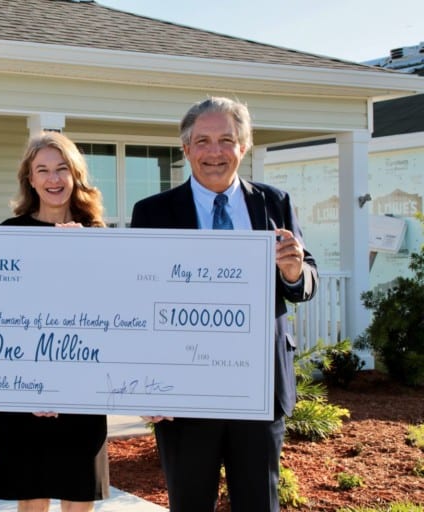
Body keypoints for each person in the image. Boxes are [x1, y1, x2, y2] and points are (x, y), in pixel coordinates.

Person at [130, 96, 318, 512]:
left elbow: (306, 280)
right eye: (203, 141)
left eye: (226, 140)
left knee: (257, 503)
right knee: (190, 502)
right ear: (186, 149)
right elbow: (138, 301)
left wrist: (292, 272)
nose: (214, 152)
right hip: (183, 392)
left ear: (244, 147)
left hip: (259, 388)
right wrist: (144, 379)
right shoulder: (153, 213)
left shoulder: (275, 204)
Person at [0, 131, 109, 512]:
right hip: (25, 386)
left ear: (76, 175)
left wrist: (82, 256)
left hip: (82, 385)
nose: (53, 179)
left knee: (78, 493)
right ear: (30, 178)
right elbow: (2, 312)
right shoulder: (10, 233)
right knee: (32, 494)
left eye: (61, 169)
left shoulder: (97, 236)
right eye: (43, 170)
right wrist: (31, 387)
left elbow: (108, 313)